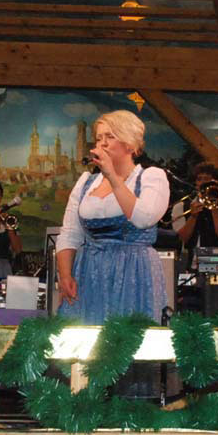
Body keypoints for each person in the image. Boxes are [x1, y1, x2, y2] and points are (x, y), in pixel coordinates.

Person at [55, 110, 170, 323]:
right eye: (99, 138)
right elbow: (70, 233)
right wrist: (64, 275)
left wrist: (112, 176)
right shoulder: (86, 182)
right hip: (90, 270)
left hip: (134, 271)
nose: (103, 143)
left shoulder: (151, 177)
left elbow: (143, 218)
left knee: (128, 340)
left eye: (110, 137)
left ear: (130, 144)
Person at [170, 162, 218, 262]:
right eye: (199, 179)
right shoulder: (181, 206)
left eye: (207, 179)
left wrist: (213, 206)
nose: (202, 183)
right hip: (187, 262)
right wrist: (193, 217)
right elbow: (181, 239)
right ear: (195, 183)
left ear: (216, 183)